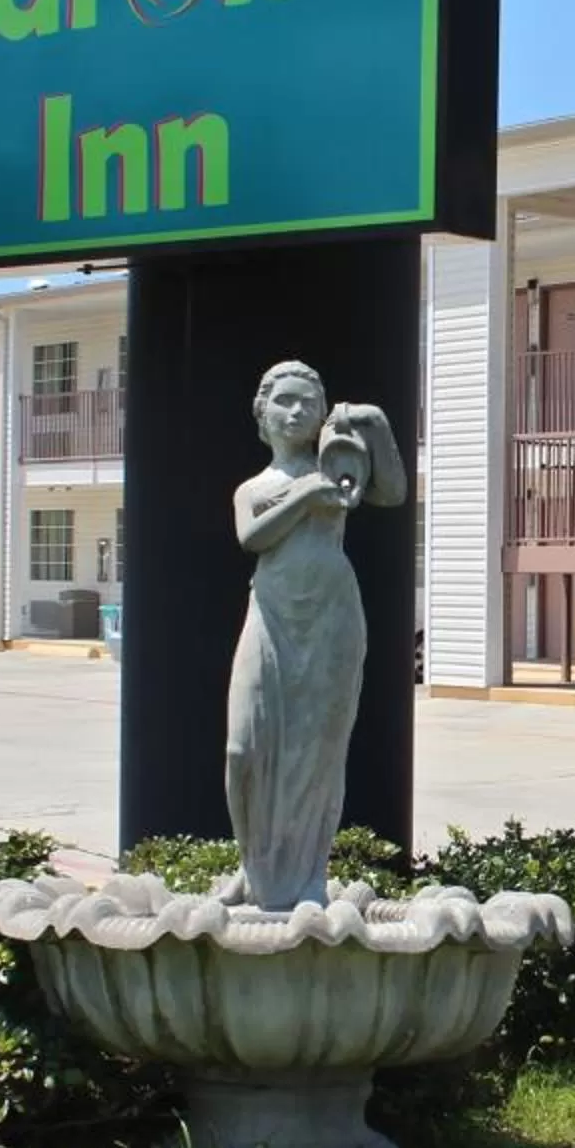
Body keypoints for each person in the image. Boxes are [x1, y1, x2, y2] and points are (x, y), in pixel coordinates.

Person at [220, 360, 405, 910]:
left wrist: (375, 425)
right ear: (263, 411)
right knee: (241, 748)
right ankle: (251, 864)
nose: (297, 411)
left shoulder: (339, 465)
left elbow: (392, 492)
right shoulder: (254, 487)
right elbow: (253, 537)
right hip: (272, 615)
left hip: (331, 617)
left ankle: (308, 879)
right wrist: (306, 496)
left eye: (308, 402)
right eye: (285, 401)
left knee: (319, 753)